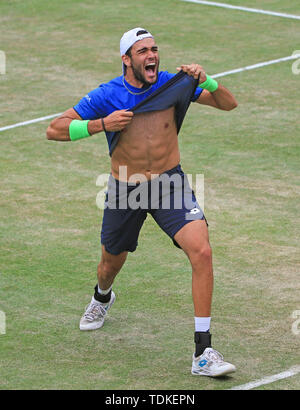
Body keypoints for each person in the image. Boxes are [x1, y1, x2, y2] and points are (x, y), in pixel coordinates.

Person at [46, 27, 238, 377]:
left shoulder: (173, 84)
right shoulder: (108, 94)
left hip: (170, 183)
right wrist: (101, 124)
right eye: (142, 51)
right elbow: (54, 129)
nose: (152, 56)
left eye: (154, 49)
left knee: (203, 251)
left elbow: (229, 103)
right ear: (126, 59)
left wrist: (208, 82)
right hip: (126, 188)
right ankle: (102, 298)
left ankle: (202, 352)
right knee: (109, 264)